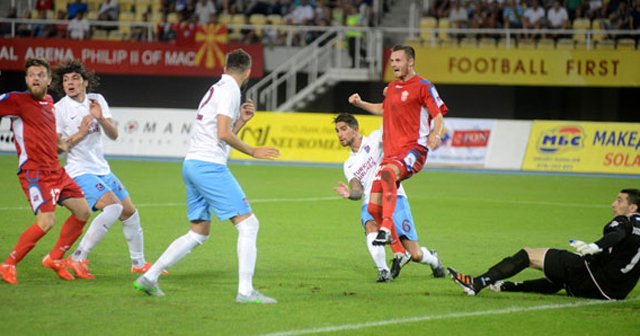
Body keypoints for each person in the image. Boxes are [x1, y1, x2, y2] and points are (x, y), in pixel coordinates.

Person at [133, 49, 280, 304]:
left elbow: (219, 132)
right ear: (247, 72)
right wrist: (253, 150)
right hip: (208, 166)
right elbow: (223, 134)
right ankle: (245, 291)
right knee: (249, 224)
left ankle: (150, 277)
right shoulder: (231, 90)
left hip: (192, 164)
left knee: (199, 232)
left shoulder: (216, 88)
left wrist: (241, 122)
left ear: (224, 67)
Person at [53, 60, 159, 279]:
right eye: (65, 80)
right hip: (79, 170)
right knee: (113, 208)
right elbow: (57, 148)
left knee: (130, 212)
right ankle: (77, 258)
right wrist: (81, 133)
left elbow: (114, 134)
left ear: (84, 82)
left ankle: (138, 263)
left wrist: (100, 117)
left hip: (102, 168)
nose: (69, 83)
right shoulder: (59, 109)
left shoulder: (97, 100)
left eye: (74, 79)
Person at [448, 189, 640, 300]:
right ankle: (507, 287)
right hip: (614, 293)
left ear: (633, 208)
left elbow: (618, 234)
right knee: (561, 275)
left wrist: (595, 246)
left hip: (592, 278)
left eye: (619, 200)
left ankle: (476, 283)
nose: (613, 204)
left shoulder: (625, 221)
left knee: (529, 254)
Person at [0, 58, 91, 285]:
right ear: (26, 80)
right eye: (31, 75)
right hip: (35, 173)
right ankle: (8, 264)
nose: (36, 78)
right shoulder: (16, 100)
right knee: (46, 222)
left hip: (56, 170)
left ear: (49, 80)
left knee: (82, 212)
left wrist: (60, 143)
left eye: (41, 74)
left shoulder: (50, 102)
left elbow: (52, 136)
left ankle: (55, 258)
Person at [348, 44, 448, 248]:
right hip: (391, 155)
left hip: (413, 150)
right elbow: (381, 109)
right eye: (392, 60)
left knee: (387, 175)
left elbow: (437, 115)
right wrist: (360, 103)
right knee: (373, 206)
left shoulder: (423, 86)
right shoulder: (392, 88)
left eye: (398, 60)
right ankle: (400, 252)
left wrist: (436, 135)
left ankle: (385, 229)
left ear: (410, 62)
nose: (393, 64)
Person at [333, 113, 445, 282]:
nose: (340, 134)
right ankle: (383, 271)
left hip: (395, 197)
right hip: (371, 201)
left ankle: (434, 260)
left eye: (343, 129)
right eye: (337, 131)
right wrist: (350, 194)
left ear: (355, 129)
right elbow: (357, 190)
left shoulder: (375, 139)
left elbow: (391, 121)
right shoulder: (348, 164)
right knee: (371, 226)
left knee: (415, 254)